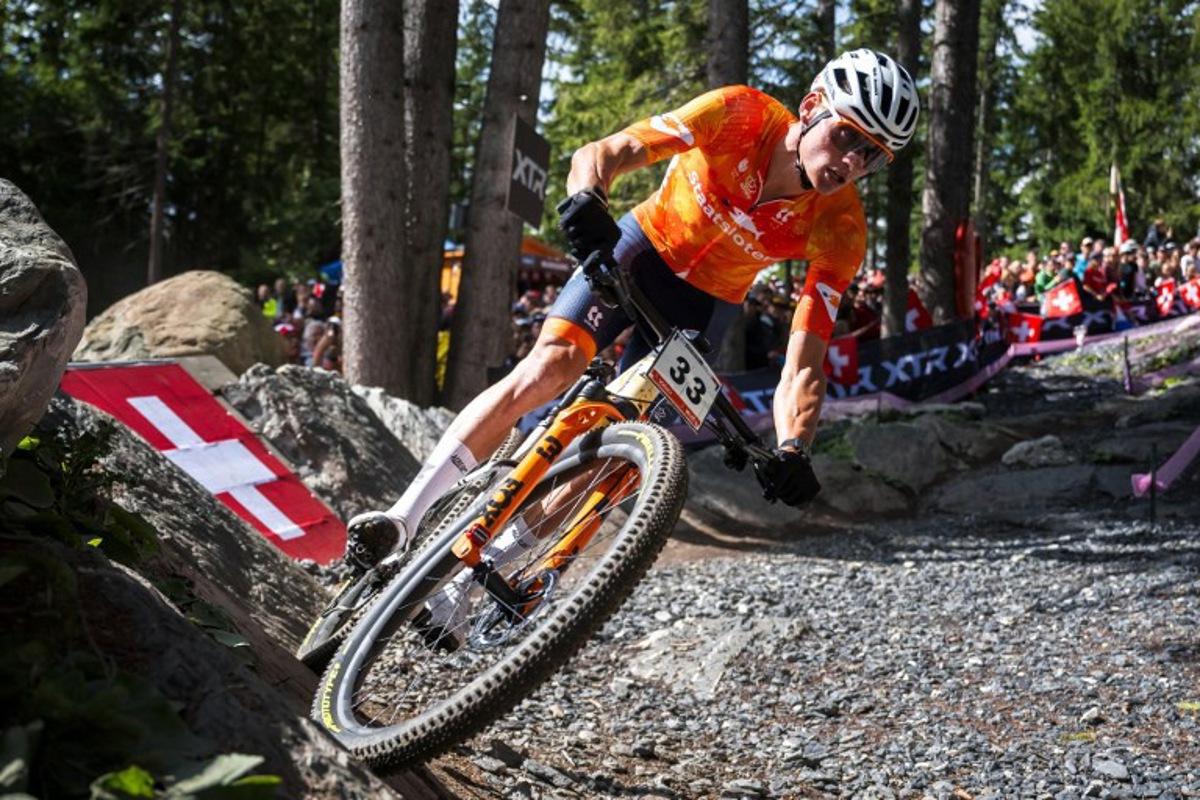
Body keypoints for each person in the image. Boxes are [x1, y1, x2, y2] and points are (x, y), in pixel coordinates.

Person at [343, 49, 921, 571]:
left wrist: (795, 445)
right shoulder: (738, 113)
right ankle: (403, 518)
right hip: (641, 247)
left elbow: (803, 361)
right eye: (848, 136)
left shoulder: (841, 229)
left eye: (874, 155)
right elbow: (607, 152)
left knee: (619, 448)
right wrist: (587, 199)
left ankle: (493, 566)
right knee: (550, 366)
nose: (854, 161)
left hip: (705, 307)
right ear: (813, 107)